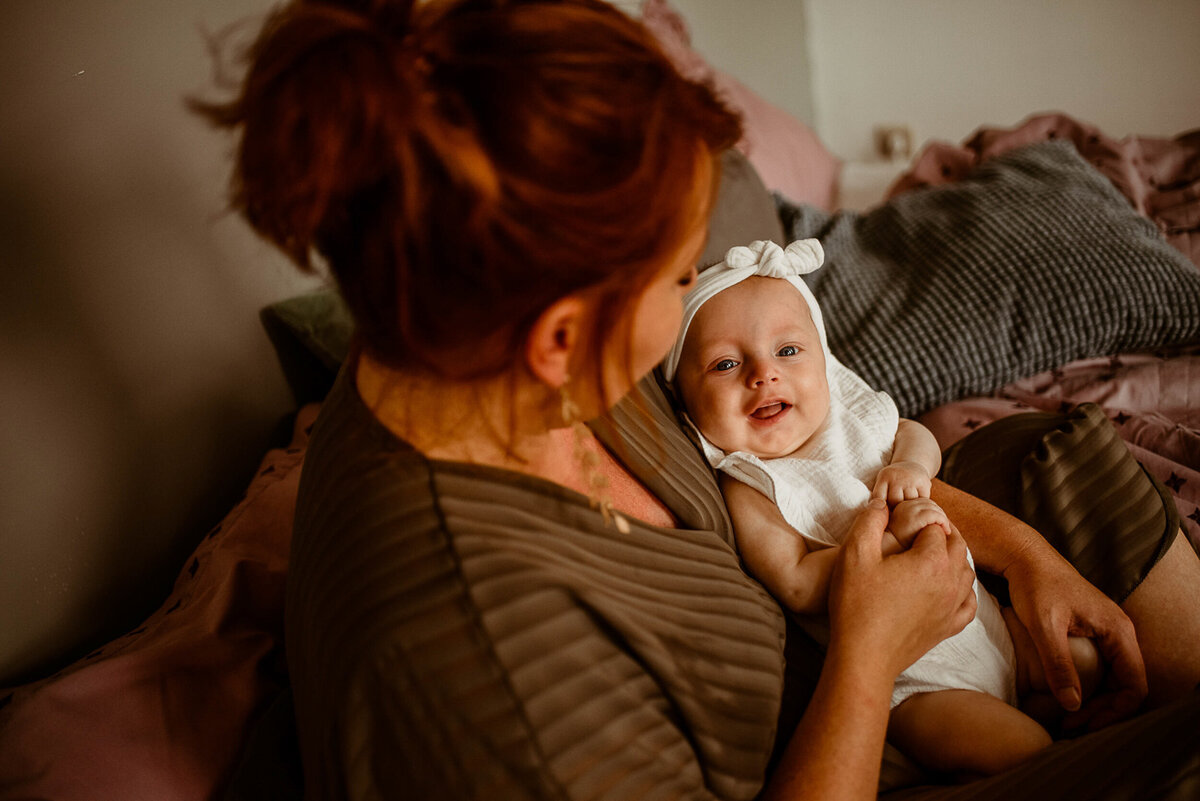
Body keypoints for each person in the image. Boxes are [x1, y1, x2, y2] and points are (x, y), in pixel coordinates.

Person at [197, 0, 1200, 798]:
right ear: (561, 336)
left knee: (1047, 449)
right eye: (683, 278)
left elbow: (841, 470)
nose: (698, 295)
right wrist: (869, 653)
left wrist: (1021, 557)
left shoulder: (497, 354)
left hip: (861, 611)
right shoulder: (486, 665)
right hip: (870, 739)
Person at [662, 238, 1104, 777]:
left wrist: (914, 469)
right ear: (683, 398)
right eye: (726, 363)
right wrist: (890, 544)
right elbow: (798, 583)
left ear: (825, 361)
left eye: (788, 351)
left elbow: (917, 435)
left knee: (1081, 661)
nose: (764, 374)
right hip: (919, 687)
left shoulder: (854, 425)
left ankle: (1045, 707)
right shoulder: (751, 484)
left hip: (988, 627)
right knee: (1023, 753)